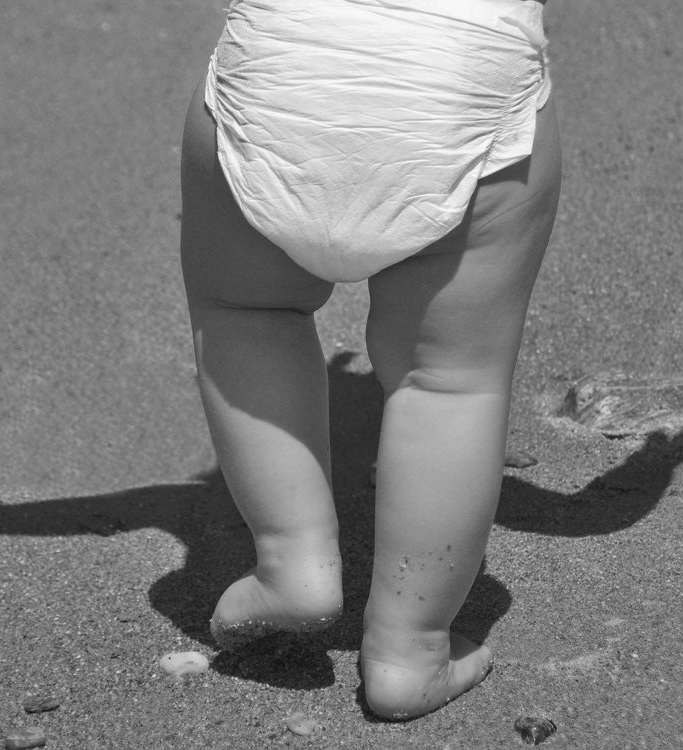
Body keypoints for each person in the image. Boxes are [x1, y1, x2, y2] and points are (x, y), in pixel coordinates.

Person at [180, 0, 561, 720]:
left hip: (281, 73)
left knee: (247, 314)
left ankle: (293, 559)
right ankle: (408, 648)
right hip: (463, 86)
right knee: (450, 381)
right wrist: (654, 467)